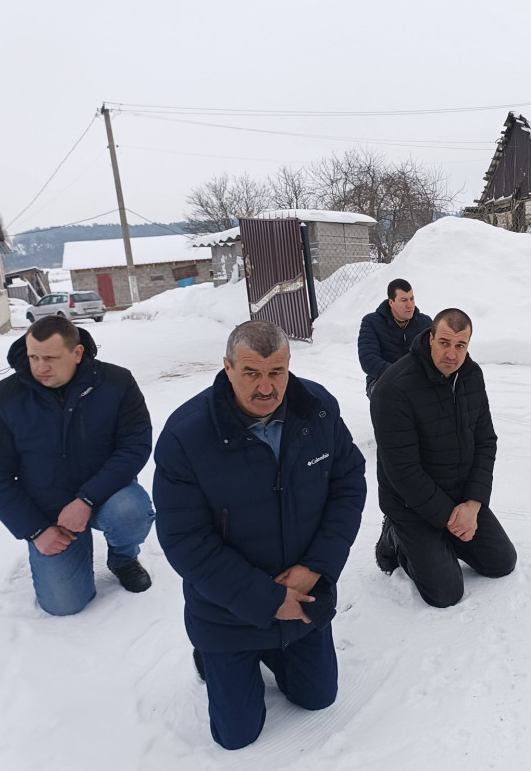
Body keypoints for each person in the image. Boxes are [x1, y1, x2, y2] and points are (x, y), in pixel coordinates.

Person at [154, 320, 366, 750]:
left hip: (305, 592)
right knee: (236, 736)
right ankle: (212, 654)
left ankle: (276, 647)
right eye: (251, 372)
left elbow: (349, 485)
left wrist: (316, 568)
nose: (266, 387)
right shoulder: (186, 436)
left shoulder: (317, 410)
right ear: (227, 368)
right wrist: (267, 601)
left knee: (319, 699)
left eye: (277, 372)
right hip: (227, 613)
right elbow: (185, 541)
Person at [0, 315, 154, 616]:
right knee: (64, 604)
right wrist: (35, 530)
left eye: (51, 358)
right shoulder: (5, 397)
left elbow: (134, 446)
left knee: (130, 513)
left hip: (105, 493)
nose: (40, 367)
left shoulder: (116, 382)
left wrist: (86, 499)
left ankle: (122, 558)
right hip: (47, 512)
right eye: (33, 357)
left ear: (77, 353)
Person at [370, 308, 516, 608]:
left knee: (501, 562)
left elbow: (486, 441)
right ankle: (395, 538)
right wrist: (451, 519)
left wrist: (473, 505)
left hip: (460, 496)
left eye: (460, 345)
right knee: (446, 593)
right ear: (430, 338)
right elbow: (402, 470)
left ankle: (440, 541)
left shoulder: (471, 376)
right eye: (445, 343)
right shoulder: (394, 388)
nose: (452, 354)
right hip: (410, 504)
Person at [358, 278, 433, 397]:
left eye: (412, 298)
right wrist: (401, 376)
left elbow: (435, 354)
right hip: (382, 380)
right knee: (392, 398)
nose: (410, 305)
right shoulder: (371, 322)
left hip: (419, 380)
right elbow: (368, 359)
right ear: (391, 302)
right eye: (403, 300)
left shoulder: (425, 323)